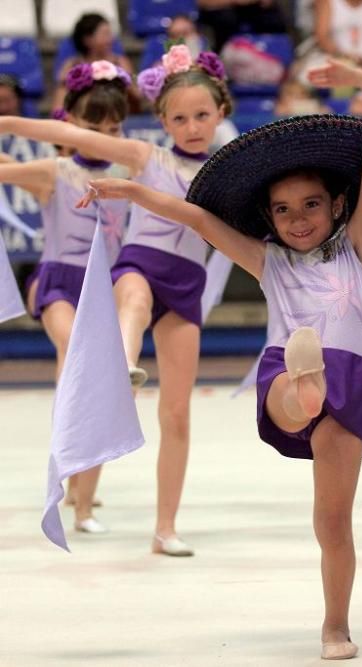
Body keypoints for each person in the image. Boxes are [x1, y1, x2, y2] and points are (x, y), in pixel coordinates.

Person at [83, 85, 362, 659]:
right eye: (282, 210)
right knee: (292, 388)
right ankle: (302, 386)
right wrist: (128, 190)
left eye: (310, 205)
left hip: (346, 383)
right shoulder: (267, 260)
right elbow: (194, 216)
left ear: (337, 206)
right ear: (267, 217)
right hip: (289, 370)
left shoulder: (357, 251)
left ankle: (336, 625)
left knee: (333, 523)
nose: (297, 219)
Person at [0, 44, 233, 557]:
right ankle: (123, 362)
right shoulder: (149, 157)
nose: (192, 126)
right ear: (162, 121)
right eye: (179, 117)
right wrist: (11, 121)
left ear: (222, 112)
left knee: (176, 415)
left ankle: (165, 527)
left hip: (187, 285)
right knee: (132, 299)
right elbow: (69, 135)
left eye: (201, 115)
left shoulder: (228, 175)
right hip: (140, 265)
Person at [0, 61, 131, 533]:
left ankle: (82, 498)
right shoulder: (55, 171)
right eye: (94, 128)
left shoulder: (126, 170)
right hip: (58, 283)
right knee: (83, 364)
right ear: (70, 125)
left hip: (104, 287)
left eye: (113, 128)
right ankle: (76, 490)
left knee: (86, 383)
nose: (104, 136)